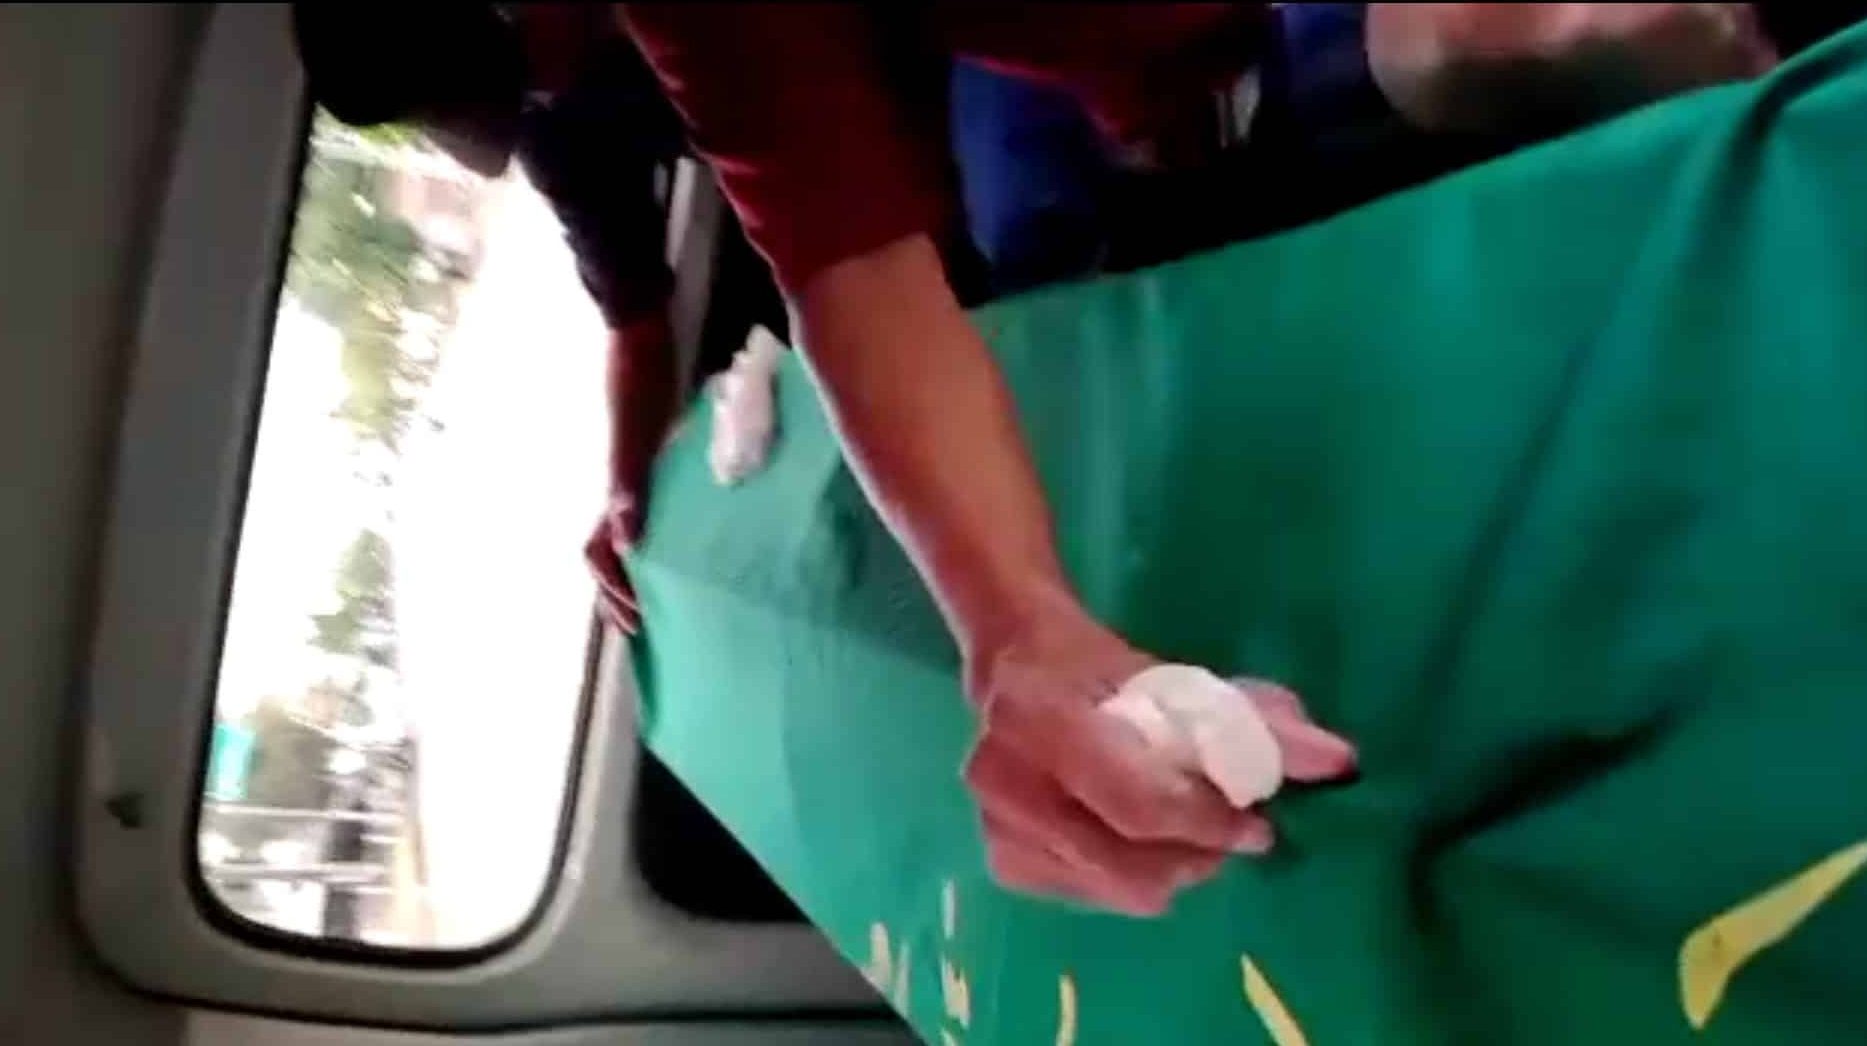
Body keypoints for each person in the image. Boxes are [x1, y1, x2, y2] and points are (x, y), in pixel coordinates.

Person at [620, 3, 1780, 916]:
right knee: (1053, 257)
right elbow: (851, 266)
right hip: (1151, 96)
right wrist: (1019, 634)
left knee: (1556, 26)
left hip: (1278, 43)